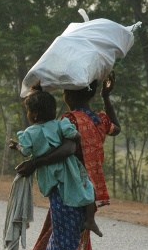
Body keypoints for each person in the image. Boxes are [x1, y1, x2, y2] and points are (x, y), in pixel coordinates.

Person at [19, 73, 120, 250]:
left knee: (64, 236)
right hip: (91, 186)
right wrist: (107, 97)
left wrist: (35, 162)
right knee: (66, 233)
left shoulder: (70, 119)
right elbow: (116, 128)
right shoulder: (97, 119)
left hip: (71, 184)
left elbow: (65, 148)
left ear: (69, 94)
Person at [9, 85, 101, 237]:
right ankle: (90, 220)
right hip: (70, 169)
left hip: (51, 175)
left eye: (28, 111)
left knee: (60, 204)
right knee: (88, 190)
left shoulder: (30, 133)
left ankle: (65, 242)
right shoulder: (62, 124)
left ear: (35, 114)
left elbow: (26, 151)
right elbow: (75, 136)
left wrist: (17, 146)